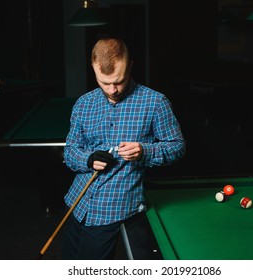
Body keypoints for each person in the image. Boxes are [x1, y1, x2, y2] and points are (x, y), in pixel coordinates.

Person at [61, 37, 185, 260]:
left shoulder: (155, 102)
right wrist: (88, 159)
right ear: (93, 69)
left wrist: (144, 151)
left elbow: (177, 147)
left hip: (113, 207)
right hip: (77, 202)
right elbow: (69, 152)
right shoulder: (83, 103)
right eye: (104, 82)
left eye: (119, 81)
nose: (113, 89)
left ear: (131, 67)